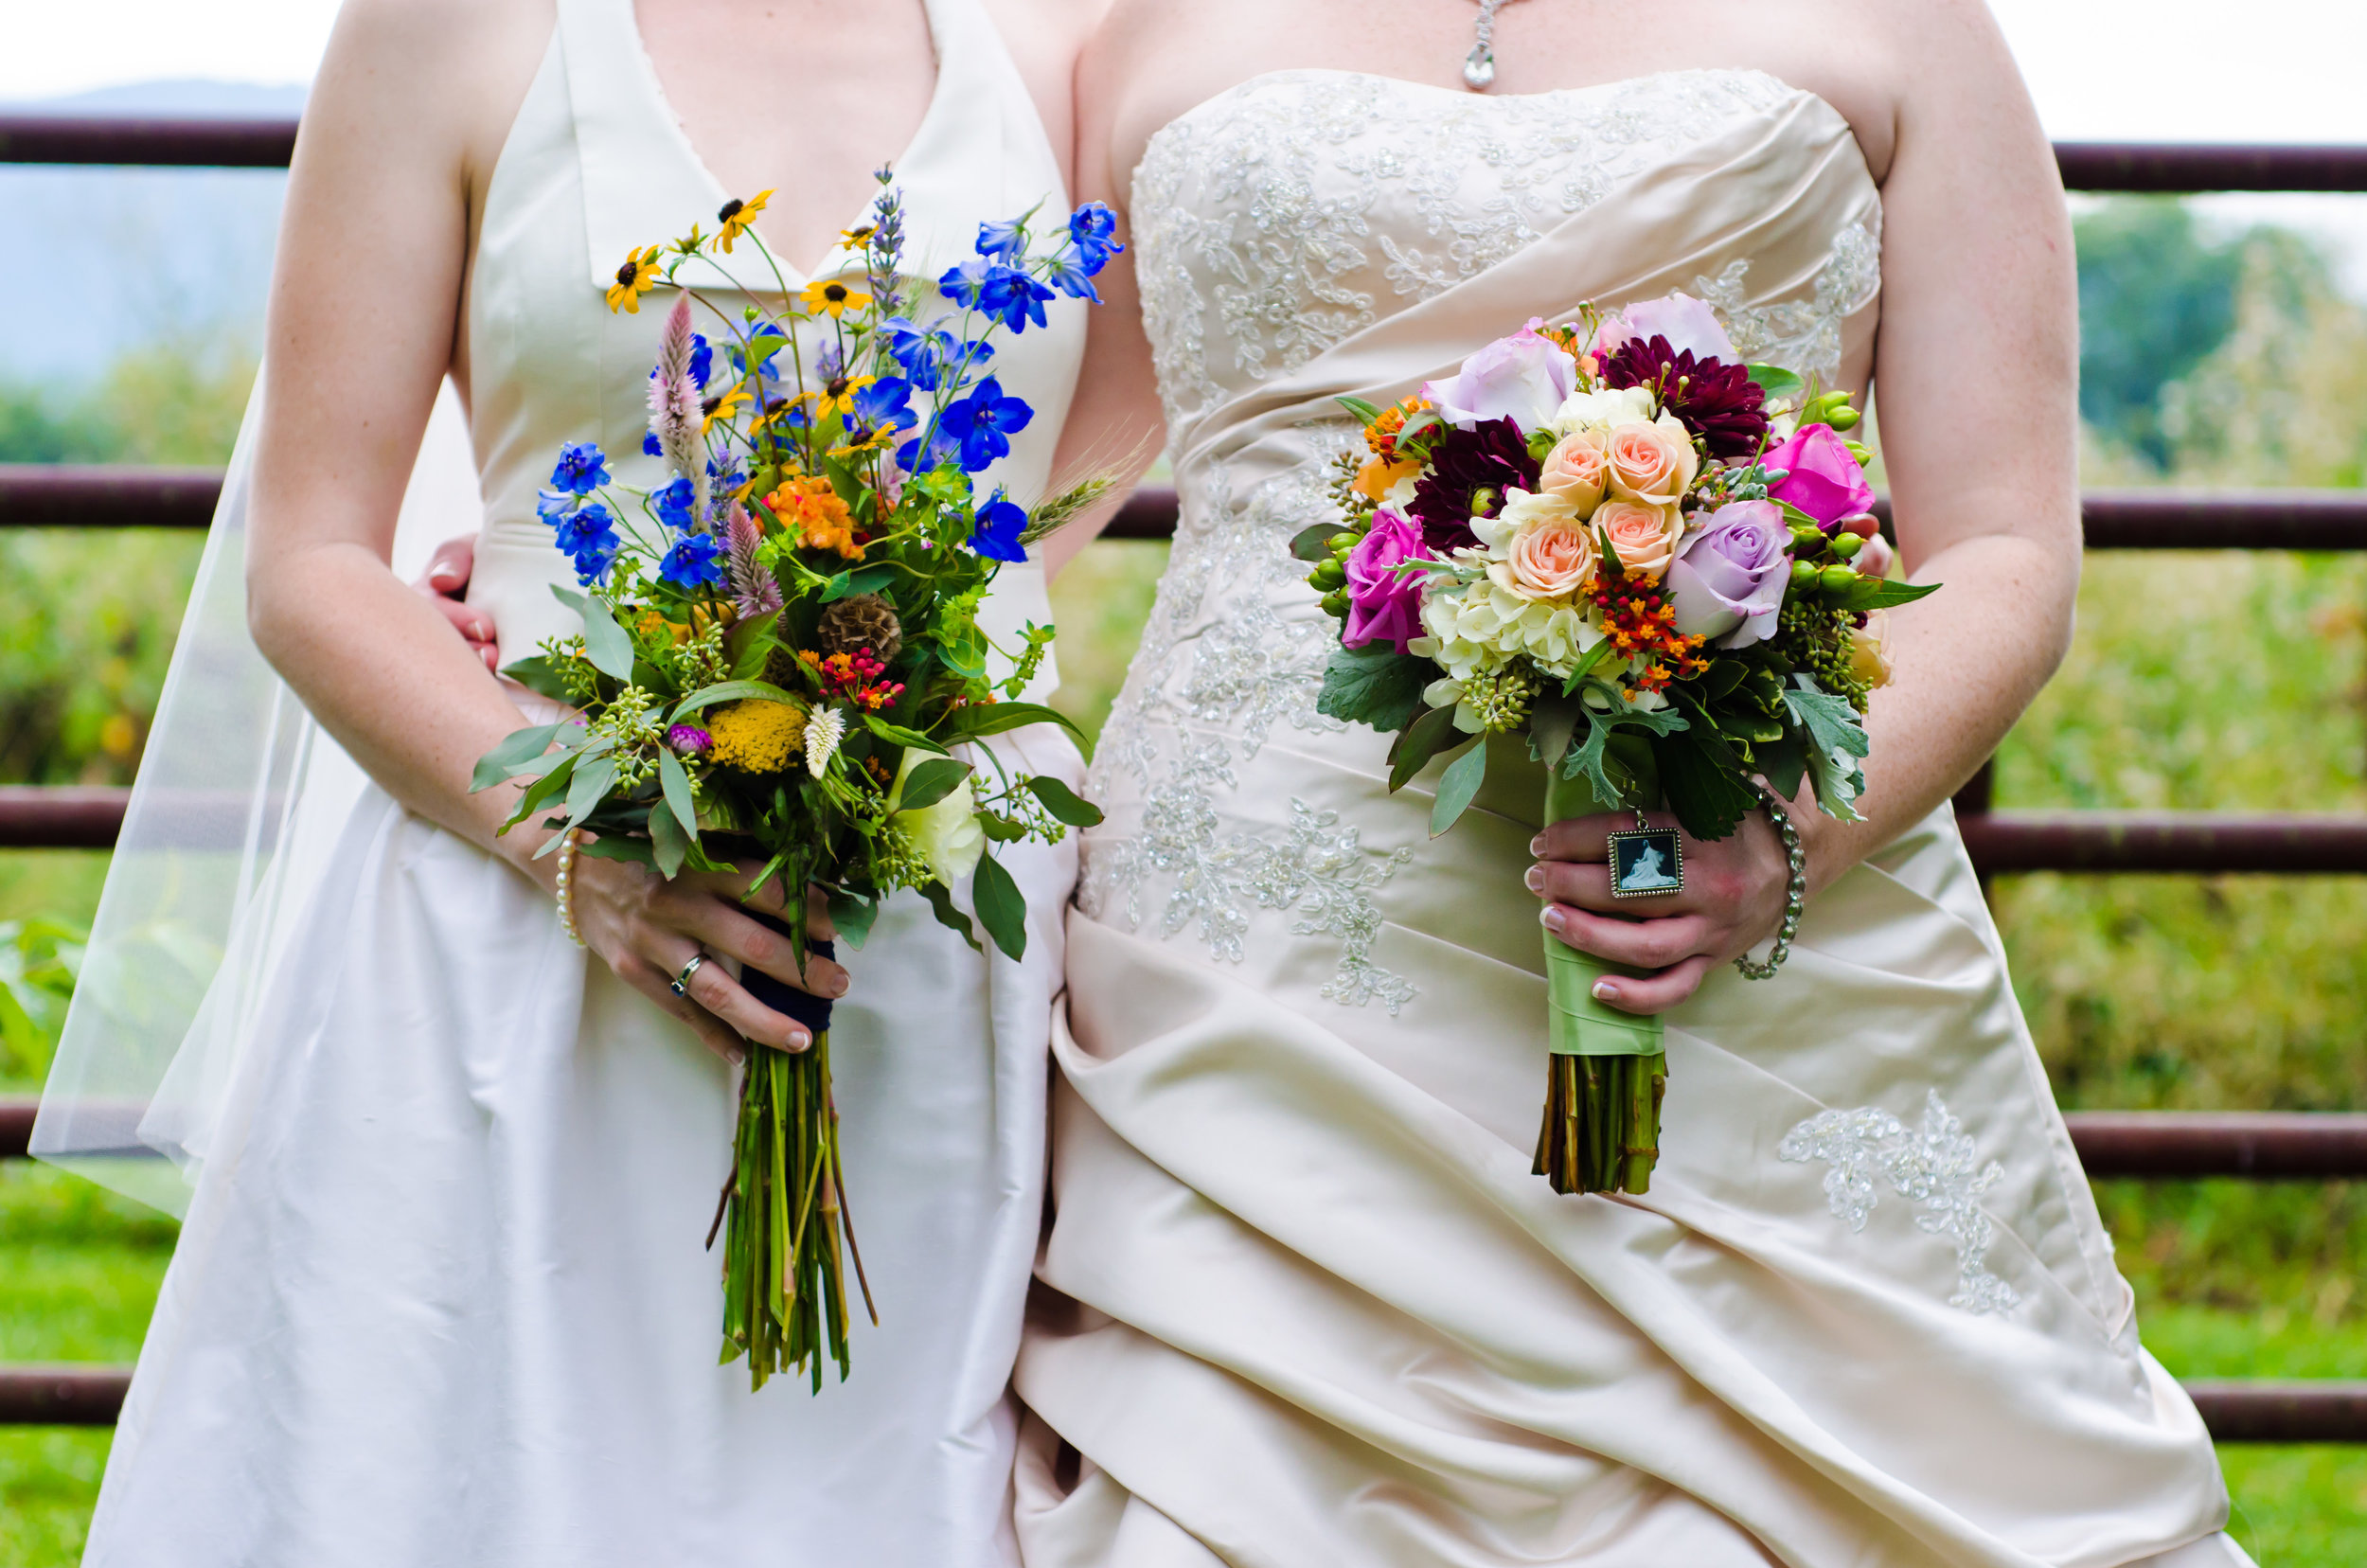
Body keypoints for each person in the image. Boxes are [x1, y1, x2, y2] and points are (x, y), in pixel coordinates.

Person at [1013, 0, 2251, 1562]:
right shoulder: (1113, 28)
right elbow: (1003, 487)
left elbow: (2005, 546)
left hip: (1750, 936)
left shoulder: (1911, 27)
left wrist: (1780, 839)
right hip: (1248, 971)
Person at [66, 0, 1099, 1561]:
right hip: (517, 924)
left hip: (943, 975)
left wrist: (894, 658)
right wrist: (587, 842)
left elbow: (1115, 451)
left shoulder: (1074, 38)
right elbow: (310, 561)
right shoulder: (449, 25)